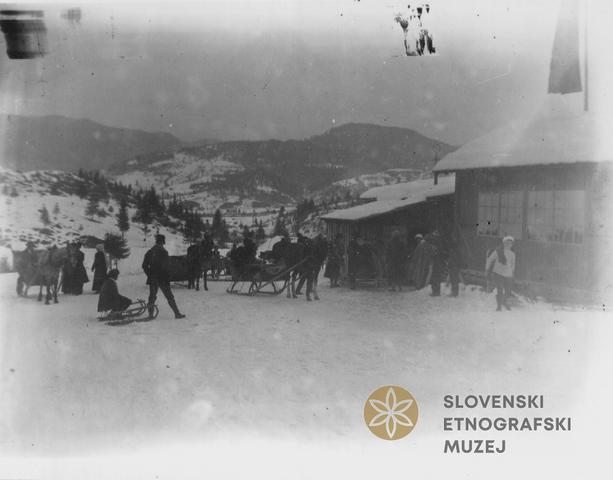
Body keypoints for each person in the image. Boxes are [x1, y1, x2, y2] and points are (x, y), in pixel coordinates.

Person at [142, 234, 186, 319]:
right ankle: (177, 314)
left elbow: (144, 266)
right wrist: (168, 275)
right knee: (169, 296)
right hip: (163, 278)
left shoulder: (150, 252)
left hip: (153, 278)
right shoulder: (164, 252)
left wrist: (150, 274)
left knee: (152, 297)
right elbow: (167, 266)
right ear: (162, 242)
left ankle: (150, 315)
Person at [486, 236, 516, 311]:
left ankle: (504, 302)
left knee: (508, 291)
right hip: (498, 273)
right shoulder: (498, 251)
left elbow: (513, 264)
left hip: (508, 275)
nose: (508, 244)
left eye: (510, 243)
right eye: (507, 243)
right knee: (500, 290)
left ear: (512, 245)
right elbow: (490, 259)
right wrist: (487, 269)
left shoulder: (512, 254)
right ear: (504, 243)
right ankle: (499, 306)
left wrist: (511, 273)